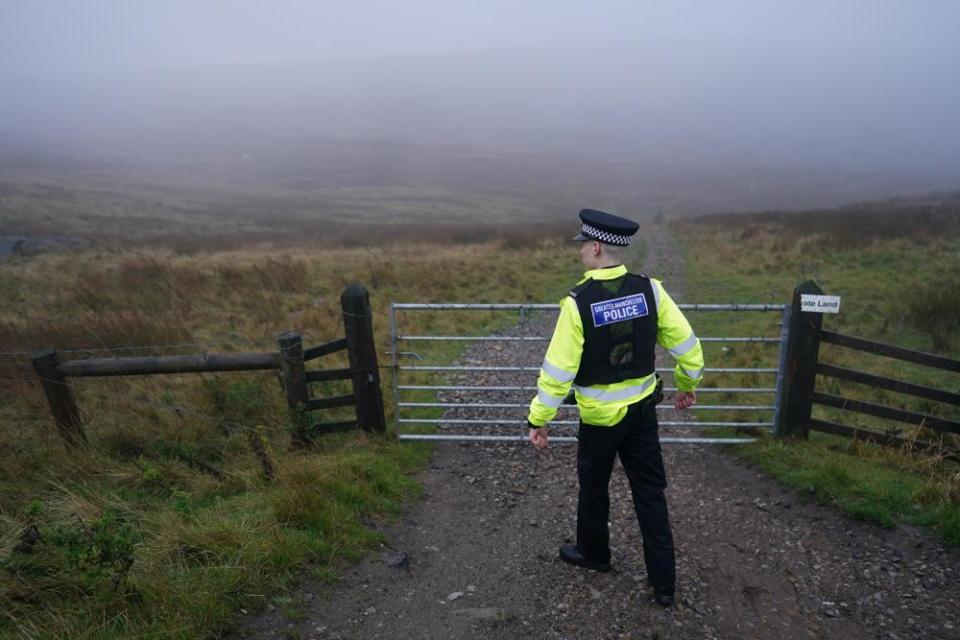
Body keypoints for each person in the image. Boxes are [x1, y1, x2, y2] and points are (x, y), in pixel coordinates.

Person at [526, 209, 704, 607]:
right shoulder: (650, 291)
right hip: (642, 416)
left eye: (582, 247)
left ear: (595, 247)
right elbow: (689, 348)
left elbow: (557, 373)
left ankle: (594, 554)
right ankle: (664, 583)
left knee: (593, 489)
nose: (580, 254)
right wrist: (687, 386)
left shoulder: (577, 304)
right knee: (650, 494)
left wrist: (539, 419)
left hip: (599, 423)